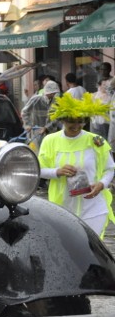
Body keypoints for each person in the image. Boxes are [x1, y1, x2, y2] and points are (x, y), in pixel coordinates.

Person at [38, 92, 115, 237]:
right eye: (71, 121)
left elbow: (110, 168)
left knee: (90, 246)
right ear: (62, 120)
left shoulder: (96, 141)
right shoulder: (50, 140)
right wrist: (57, 172)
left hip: (93, 208)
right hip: (62, 208)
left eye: (80, 121)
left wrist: (101, 184)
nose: (76, 126)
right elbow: (39, 170)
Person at [21, 79, 60, 152]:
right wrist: (27, 125)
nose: (53, 95)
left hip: (49, 131)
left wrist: (47, 127)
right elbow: (25, 112)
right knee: (36, 151)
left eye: (54, 93)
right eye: (52, 93)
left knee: (48, 151)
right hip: (35, 131)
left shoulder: (55, 102)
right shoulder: (36, 99)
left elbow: (57, 118)